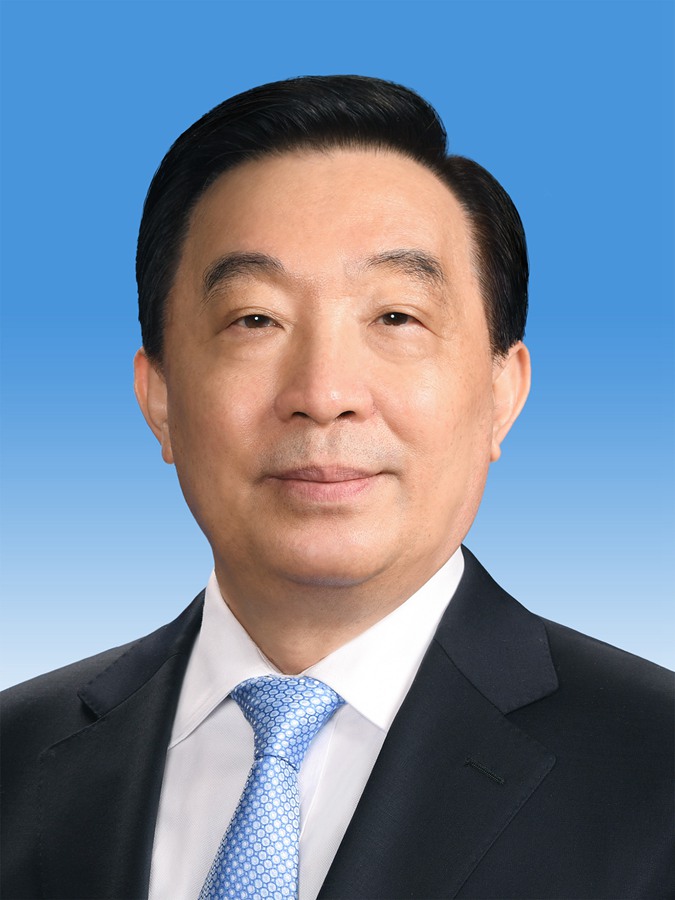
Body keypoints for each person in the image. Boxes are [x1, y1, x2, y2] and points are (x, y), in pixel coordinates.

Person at [1, 75, 672, 900]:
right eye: (255, 319)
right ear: (160, 398)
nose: (322, 393)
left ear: (502, 394)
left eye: (395, 317)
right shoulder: (14, 757)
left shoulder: (655, 766)